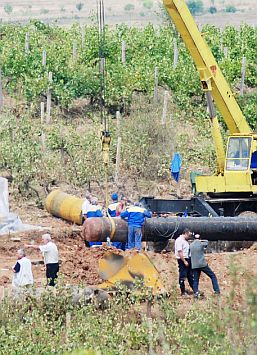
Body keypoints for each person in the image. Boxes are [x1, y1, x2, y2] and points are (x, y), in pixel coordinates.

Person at [190, 234, 220, 298]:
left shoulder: (191, 245)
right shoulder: (201, 244)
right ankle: (216, 291)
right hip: (202, 264)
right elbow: (206, 242)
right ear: (200, 238)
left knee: (195, 280)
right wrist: (201, 240)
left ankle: (196, 292)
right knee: (212, 276)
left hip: (194, 265)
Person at [175, 228, 194, 296]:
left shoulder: (185, 241)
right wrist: (184, 261)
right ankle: (183, 291)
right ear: (185, 233)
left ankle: (195, 290)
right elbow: (180, 252)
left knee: (190, 275)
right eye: (189, 235)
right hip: (182, 259)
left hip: (187, 258)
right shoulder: (179, 240)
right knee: (182, 276)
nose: (189, 237)